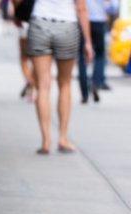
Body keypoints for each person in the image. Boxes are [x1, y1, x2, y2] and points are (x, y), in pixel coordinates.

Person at [24, 0, 94, 154]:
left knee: (42, 85)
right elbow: (81, 8)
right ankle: (62, 138)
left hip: (39, 23)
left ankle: (46, 141)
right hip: (67, 25)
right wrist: (88, 42)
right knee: (65, 84)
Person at [78, 0, 116, 103]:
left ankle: (84, 94)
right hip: (99, 21)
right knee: (100, 55)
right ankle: (95, 83)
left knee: (82, 57)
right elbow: (112, 7)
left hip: (83, 20)